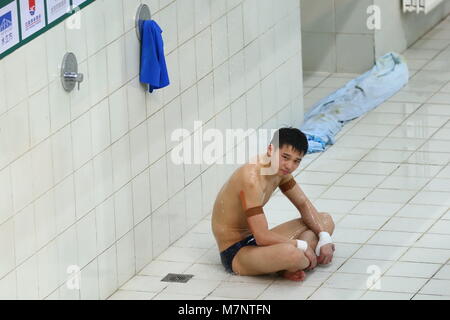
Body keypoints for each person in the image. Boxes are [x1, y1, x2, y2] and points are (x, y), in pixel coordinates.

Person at [211, 127, 335, 281]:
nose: (289, 166)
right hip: (237, 252)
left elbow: (303, 204)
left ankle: (287, 264)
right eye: (285, 157)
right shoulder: (251, 178)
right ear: (271, 149)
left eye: (296, 161)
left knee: (325, 221)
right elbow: (262, 236)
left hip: (256, 241)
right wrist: (302, 246)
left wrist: (324, 238)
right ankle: (292, 261)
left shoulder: (280, 171)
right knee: (293, 254)